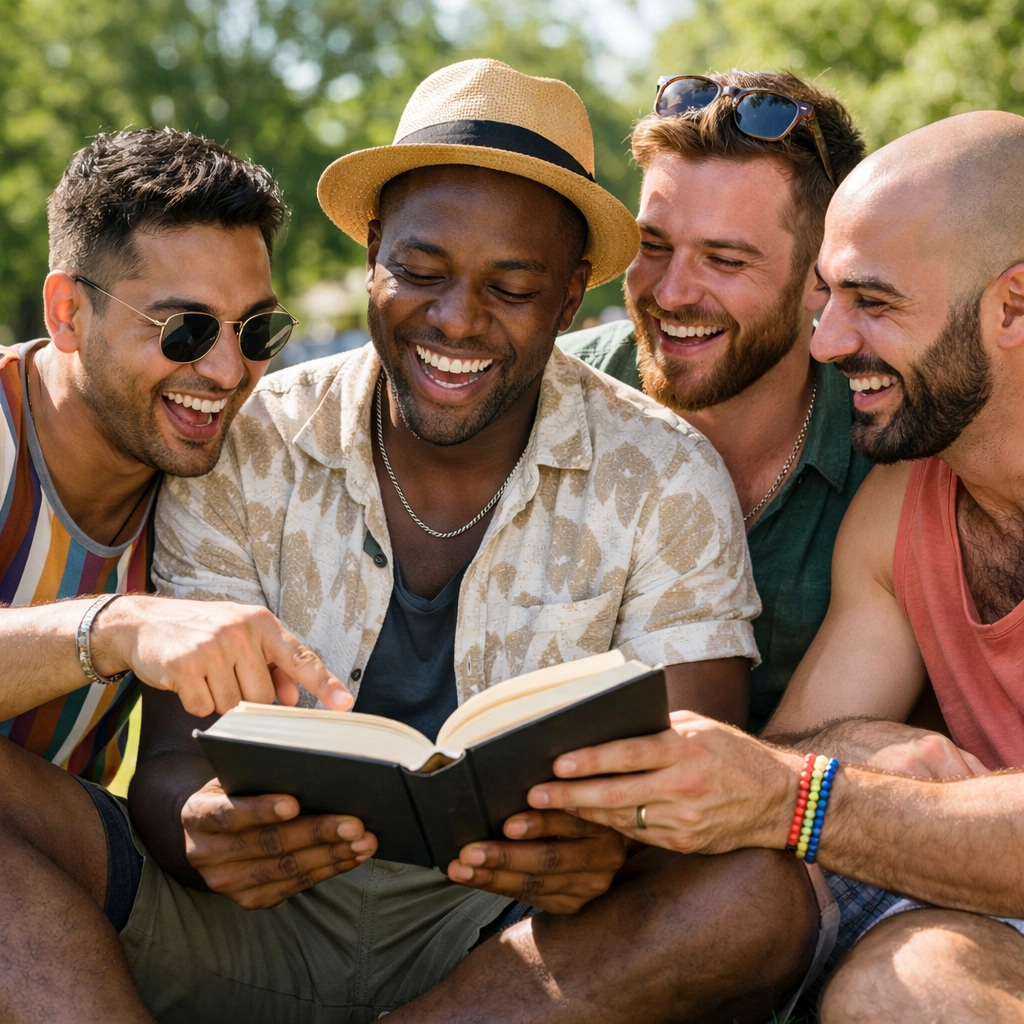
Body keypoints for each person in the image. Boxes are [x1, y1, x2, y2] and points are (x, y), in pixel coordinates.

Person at [110, 60, 820, 1024]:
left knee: (759, 900)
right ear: (372, 252)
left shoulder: (664, 473)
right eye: (421, 271)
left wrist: (607, 857)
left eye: (513, 288)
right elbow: (168, 772)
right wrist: (201, 831)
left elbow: (694, 808)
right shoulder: (252, 439)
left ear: (572, 299)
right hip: (249, 922)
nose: (455, 319)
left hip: (511, 954)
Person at [530, 110, 1024, 1022]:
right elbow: (789, 749)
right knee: (895, 990)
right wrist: (849, 750)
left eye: (872, 304)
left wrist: (807, 794)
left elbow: (779, 788)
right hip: (972, 901)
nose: (829, 341)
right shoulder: (904, 504)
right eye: (829, 296)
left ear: (1014, 305)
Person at [0, 129, 356, 1023]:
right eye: (186, 329)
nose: (229, 371)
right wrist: (117, 629)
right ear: (68, 313)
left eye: (258, 330)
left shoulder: (215, 485)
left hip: (55, 865)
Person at [559, 70, 868, 731]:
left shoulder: (892, 442)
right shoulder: (550, 395)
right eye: (653, 246)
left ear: (823, 278)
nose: (671, 293)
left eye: (725, 261)